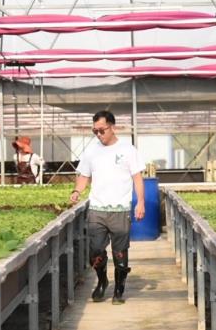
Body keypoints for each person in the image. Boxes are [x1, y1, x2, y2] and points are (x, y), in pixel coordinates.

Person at [69, 110, 145, 305]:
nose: (98, 134)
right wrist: (77, 191)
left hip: (120, 209)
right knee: (95, 250)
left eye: (101, 130)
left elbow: (137, 177)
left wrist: (140, 202)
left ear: (112, 127)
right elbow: (84, 175)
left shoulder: (128, 150)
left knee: (120, 251)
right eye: (95, 131)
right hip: (97, 209)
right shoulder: (91, 151)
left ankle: (119, 289)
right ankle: (102, 281)